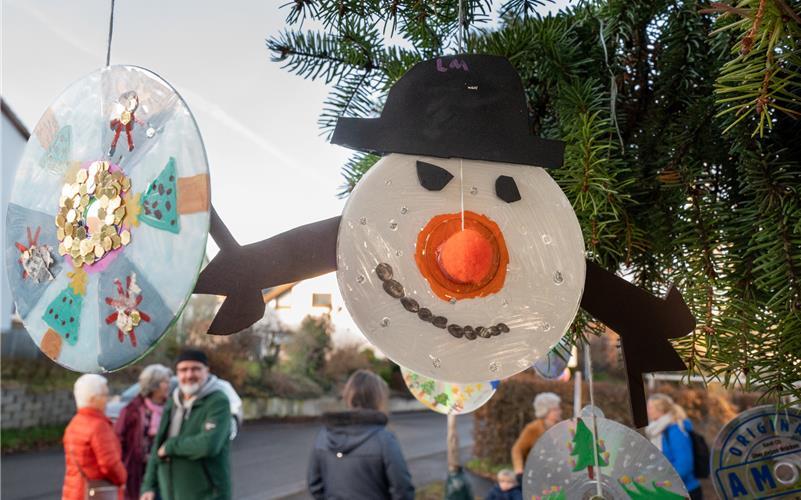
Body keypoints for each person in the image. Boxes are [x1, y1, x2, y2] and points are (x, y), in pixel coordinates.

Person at [307, 369, 414, 500]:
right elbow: (402, 489)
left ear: (348, 396)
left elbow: (314, 485)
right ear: (379, 398)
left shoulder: (324, 435)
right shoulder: (384, 439)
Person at [140, 349, 231, 500]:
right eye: (183, 370)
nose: (189, 375)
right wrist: (148, 485)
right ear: (177, 373)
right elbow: (158, 445)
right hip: (170, 492)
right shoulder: (173, 402)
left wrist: (171, 447)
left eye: (196, 369)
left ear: (206, 371)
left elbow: (209, 445)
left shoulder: (217, 401)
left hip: (207, 495)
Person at [62, 374, 127, 500]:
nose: (107, 400)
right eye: (104, 395)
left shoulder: (74, 424)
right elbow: (109, 464)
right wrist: (122, 477)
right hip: (98, 493)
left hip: (76, 491)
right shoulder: (98, 427)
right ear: (93, 399)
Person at [115, 364, 172, 500]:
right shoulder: (131, 411)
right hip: (138, 473)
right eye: (165, 382)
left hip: (165, 470)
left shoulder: (171, 407)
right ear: (154, 385)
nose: (169, 385)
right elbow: (117, 440)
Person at [646, 394, 702, 500]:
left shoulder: (675, 431)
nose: (647, 411)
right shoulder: (658, 431)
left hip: (686, 491)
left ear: (660, 409)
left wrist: (663, 482)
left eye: (650, 407)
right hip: (670, 489)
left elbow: (684, 465)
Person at [511, 393, 562, 478]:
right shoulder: (533, 428)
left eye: (559, 409)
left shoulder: (561, 427)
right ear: (545, 411)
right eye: (555, 409)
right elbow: (517, 449)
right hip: (536, 476)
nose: (559, 411)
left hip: (557, 474)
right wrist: (519, 470)